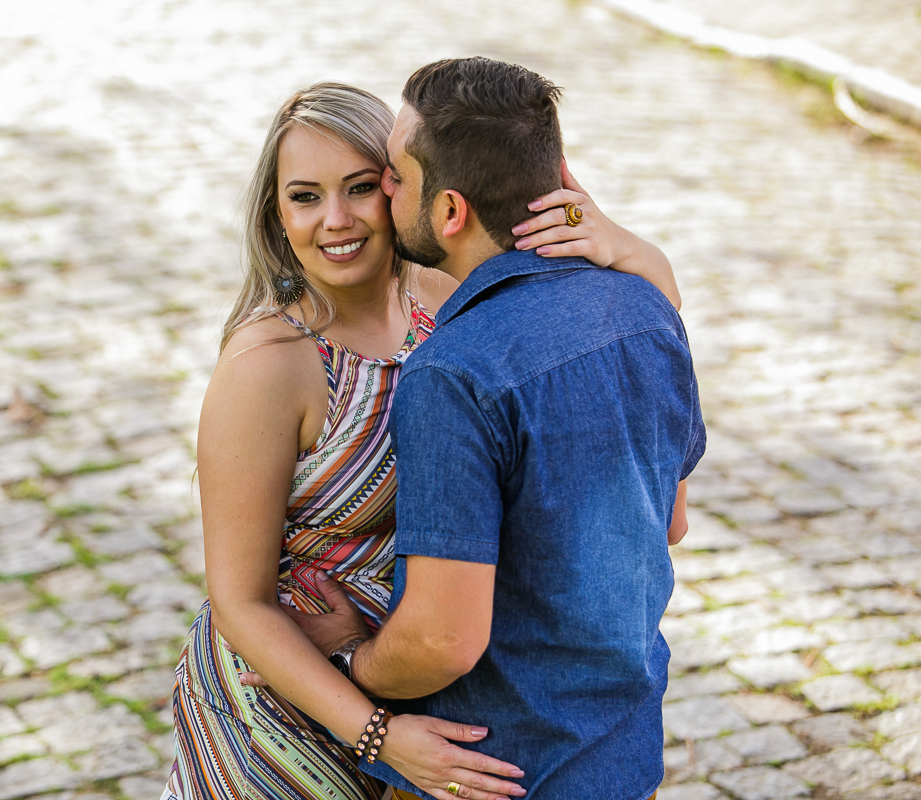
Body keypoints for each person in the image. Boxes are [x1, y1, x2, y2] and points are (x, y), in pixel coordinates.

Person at [162, 80, 685, 800]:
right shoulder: (268, 364)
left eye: (361, 187)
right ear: (276, 215)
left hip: (422, 685)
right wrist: (375, 731)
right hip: (289, 713)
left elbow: (620, 324)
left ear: (405, 192)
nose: (336, 219)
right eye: (305, 197)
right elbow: (239, 603)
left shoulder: (445, 304)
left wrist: (627, 245)